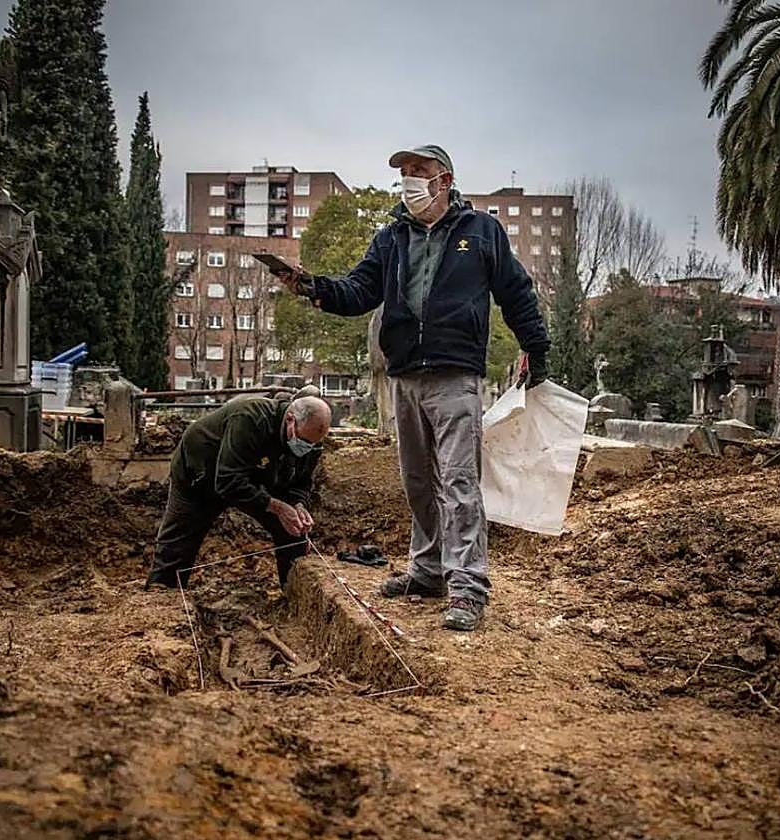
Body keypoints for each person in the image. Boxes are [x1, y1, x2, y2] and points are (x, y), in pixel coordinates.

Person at [277, 145, 550, 631]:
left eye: (418, 171)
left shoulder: (480, 232)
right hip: (405, 374)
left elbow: (515, 291)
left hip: (455, 374)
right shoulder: (391, 238)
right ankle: (428, 572)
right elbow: (359, 291)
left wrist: (536, 346)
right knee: (418, 481)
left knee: (459, 482)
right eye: (404, 173)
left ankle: (468, 587)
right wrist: (312, 287)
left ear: (444, 180)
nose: (409, 181)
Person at [147, 394, 332, 591]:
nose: (306, 448)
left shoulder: (311, 441)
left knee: (293, 530)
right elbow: (227, 481)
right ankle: (162, 592)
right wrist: (277, 507)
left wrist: (298, 504)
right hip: (201, 474)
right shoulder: (250, 418)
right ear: (290, 419)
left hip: (256, 474)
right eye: (302, 441)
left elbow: (301, 481)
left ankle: (293, 594)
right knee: (178, 544)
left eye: (312, 444)